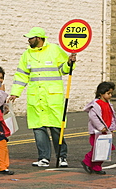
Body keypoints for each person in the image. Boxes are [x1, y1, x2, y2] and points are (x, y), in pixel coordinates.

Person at [8, 27, 76, 168]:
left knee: (57, 129)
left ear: (39, 38)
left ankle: (62, 157)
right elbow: (21, 74)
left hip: (52, 98)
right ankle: (43, 158)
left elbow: (63, 69)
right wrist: (15, 92)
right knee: (39, 129)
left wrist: (69, 63)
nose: (28, 40)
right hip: (36, 98)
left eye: (30, 38)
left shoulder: (54, 50)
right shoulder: (26, 54)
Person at [81, 82, 116, 175]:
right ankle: (87, 161)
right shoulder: (96, 104)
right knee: (98, 149)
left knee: (104, 150)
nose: (110, 95)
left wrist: (111, 130)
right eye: (108, 93)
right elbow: (93, 117)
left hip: (106, 131)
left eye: (111, 93)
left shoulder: (108, 104)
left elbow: (111, 117)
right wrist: (100, 127)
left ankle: (96, 166)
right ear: (101, 93)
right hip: (97, 131)